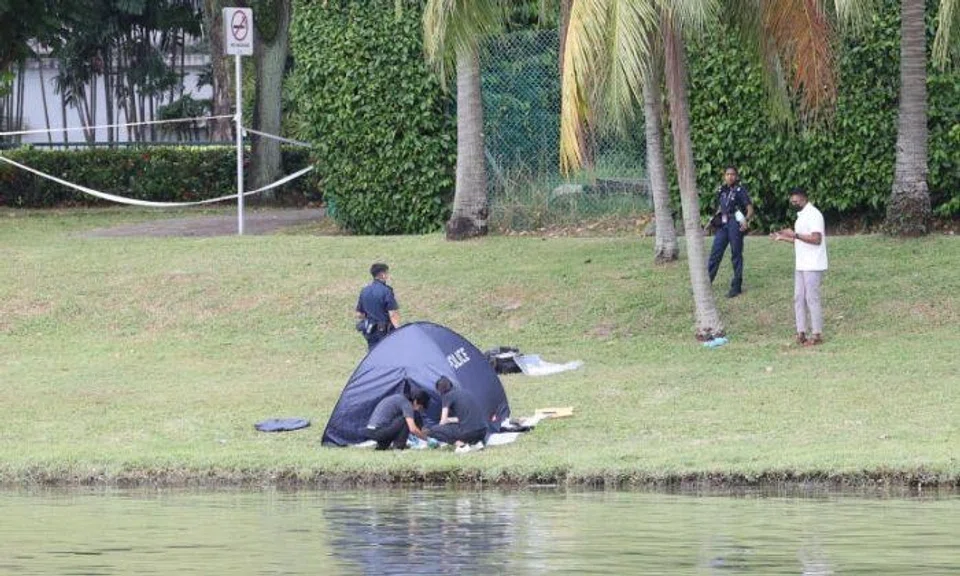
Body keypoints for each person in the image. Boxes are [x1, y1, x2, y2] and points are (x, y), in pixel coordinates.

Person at [771, 187, 828, 346]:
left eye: (794, 199)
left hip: (813, 264)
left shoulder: (814, 214)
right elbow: (800, 241)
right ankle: (801, 332)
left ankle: (816, 334)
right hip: (801, 264)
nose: (792, 202)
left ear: (802, 197)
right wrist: (782, 237)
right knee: (798, 298)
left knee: (812, 298)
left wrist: (794, 234)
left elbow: (816, 239)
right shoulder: (801, 217)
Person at [708, 165, 755, 298]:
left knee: (736, 254)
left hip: (735, 223)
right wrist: (712, 220)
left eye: (733, 174)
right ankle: (706, 283)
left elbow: (750, 209)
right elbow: (721, 206)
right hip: (723, 224)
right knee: (715, 253)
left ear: (736, 176)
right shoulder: (721, 190)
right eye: (728, 174)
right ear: (724, 176)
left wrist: (746, 220)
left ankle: (736, 286)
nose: (730, 176)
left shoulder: (740, 190)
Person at [426, 377, 487, 448]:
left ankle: (461, 445)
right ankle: (476, 443)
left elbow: (443, 421)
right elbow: (464, 417)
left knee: (433, 430)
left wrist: (444, 425)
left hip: (469, 433)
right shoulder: (466, 392)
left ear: (439, 391)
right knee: (463, 428)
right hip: (483, 431)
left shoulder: (447, 396)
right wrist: (450, 420)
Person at [364, 388, 431, 450]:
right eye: (420, 408)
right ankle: (398, 447)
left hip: (371, 430)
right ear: (415, 401)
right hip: (379, 431)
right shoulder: (407, 404)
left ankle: (382, 445)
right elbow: (412, 429)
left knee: (397, 422)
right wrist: (427, 440)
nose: (419, 410)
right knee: (404, 421)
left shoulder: (398, 398)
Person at [355, 262, 401, 351]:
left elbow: (359, 314)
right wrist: (398, 330)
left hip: (370, 330)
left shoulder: (365, 291)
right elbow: (393, 314)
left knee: (373, 355)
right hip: (385, 332)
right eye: (387, 273)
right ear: (382, 275)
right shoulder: (386, 291)